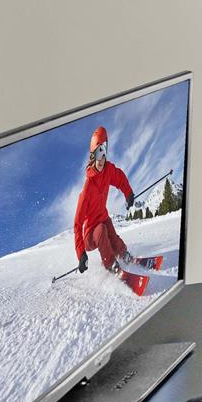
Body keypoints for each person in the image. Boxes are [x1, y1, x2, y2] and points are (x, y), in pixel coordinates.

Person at [71, 126, 154, 296]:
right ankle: (110, 265)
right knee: (101, 231)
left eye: (105, 151)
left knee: (112, 235)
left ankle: (124, 255)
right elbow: (77, 224)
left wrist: (128, 193)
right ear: (92, 156)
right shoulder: (86, 190)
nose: (102, 158)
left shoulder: (108, 170)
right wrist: (81, 254)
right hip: (90, 234)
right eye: (98, 153)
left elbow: (120, 177)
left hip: (103, 219)